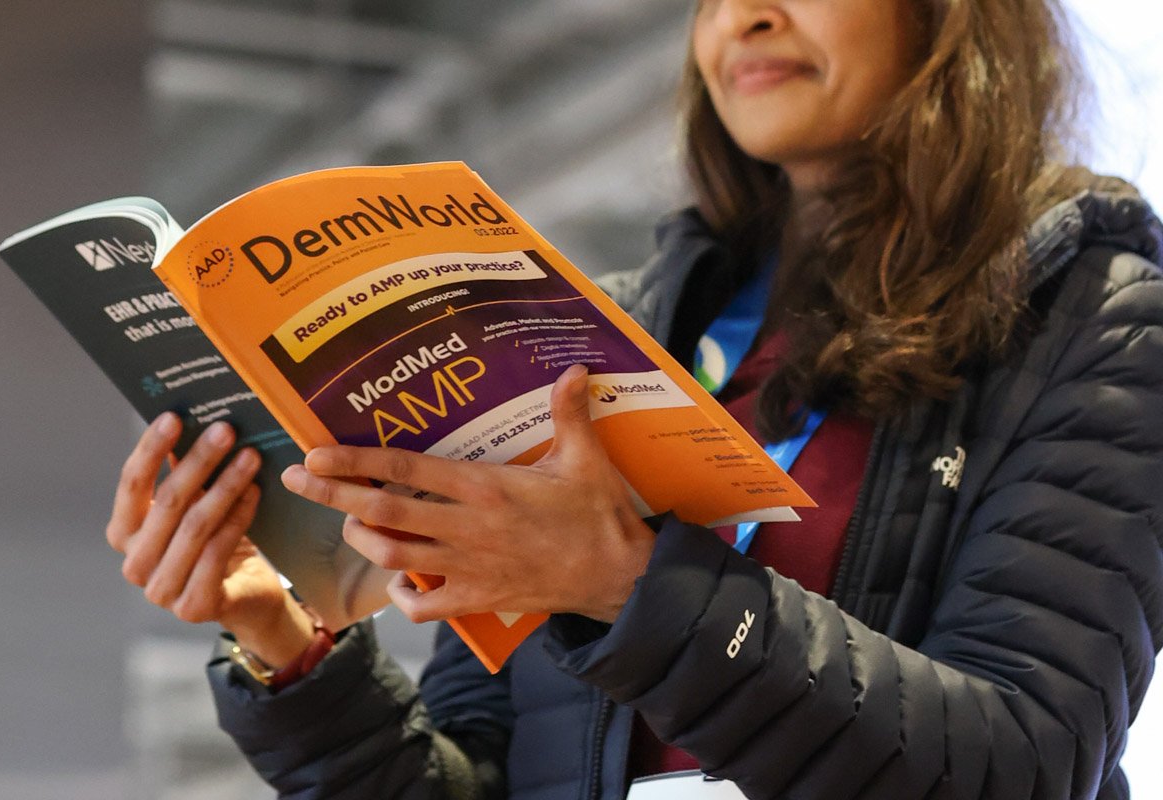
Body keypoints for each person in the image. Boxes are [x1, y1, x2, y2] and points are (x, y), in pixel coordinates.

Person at [105, 0, 1163, 797]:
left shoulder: (1091, 315)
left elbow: (1028, 763)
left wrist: (628, 582)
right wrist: (283, 639)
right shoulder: (601, 344)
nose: (742, 17)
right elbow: (472, 773)